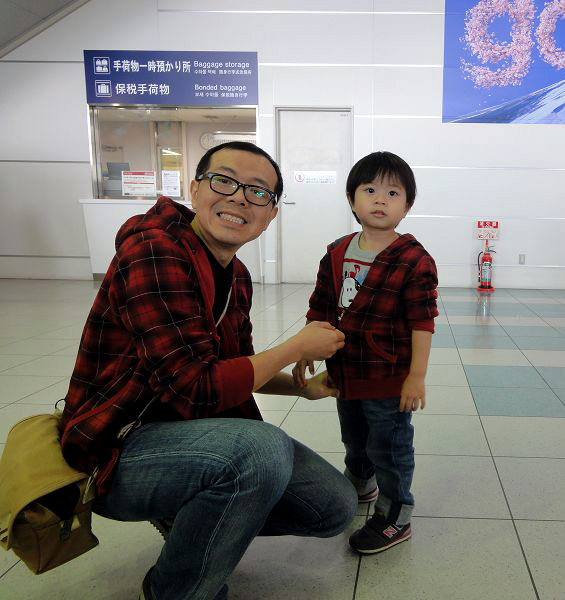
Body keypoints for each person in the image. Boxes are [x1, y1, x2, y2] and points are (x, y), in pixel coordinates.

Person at [59, 141, 357, 600]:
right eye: (224, 180)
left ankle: (191, 515)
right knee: (259, 451)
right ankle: (175, 590)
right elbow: (196, 388)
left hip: (192, 436)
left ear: (271, 213)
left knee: (333, 507)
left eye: (258, 191)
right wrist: (296, 347)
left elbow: (235, 369)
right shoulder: (154, 251)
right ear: (195, 189)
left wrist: (302, 390)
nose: (239, 197)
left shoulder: (236, 276)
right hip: (117, 446)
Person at [293, 151, 438, 554]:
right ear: (351, 199)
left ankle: (396, 515)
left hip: (389, 378)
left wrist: (416, 377)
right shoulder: (337, 251)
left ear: (407, 205)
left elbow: (422, 322)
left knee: (389, 448)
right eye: (370, 190)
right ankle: (361, 482)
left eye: (393, 193)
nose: (380, 200)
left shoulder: (414, 260)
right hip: (346, 371)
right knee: (355, 437)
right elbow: (322, 304)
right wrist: (307, 346)